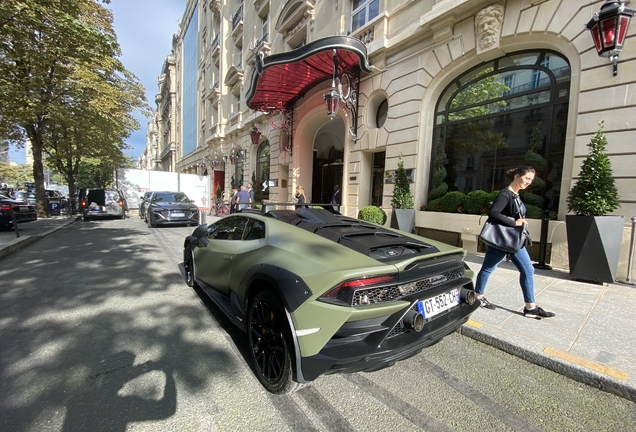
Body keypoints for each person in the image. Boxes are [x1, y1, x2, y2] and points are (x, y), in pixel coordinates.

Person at [475, 166, 555, 319]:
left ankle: (529, 306)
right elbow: (494, 213)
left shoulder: (516, 195)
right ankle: (479, 297)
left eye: (531, 180)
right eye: (527, 178)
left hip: (512, 240)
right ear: (517, 176)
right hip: (505, 240)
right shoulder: (506, 194)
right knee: (493, 269)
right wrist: (515, 223)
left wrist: (521, 222)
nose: (529, 182)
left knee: (522, 269)